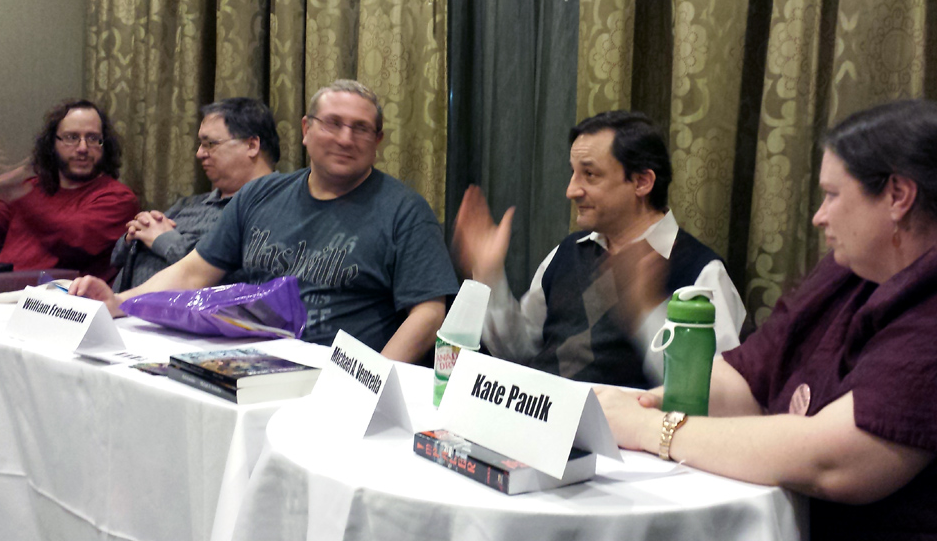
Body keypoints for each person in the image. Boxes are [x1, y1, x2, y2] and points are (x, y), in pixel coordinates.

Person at [596, 99, 937, 539]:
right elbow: (748, 378)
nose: (819, 216)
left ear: (898, 196)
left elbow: (832, 461)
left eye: (833, 195)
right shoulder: (847, 271)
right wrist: (658, 402)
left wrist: (648, 428)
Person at [71, 80, 458, 362]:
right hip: (242, 360)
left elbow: (428, 314)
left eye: (361, 128)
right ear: (306, 130)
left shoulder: (405, 211)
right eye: (332, 123)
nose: (345, 138)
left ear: (378, 141)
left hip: (332, 375)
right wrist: (118, 302)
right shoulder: (259, 194)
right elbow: (193, 273)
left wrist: (369, 383)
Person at [452, 111, 745, 387]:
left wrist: (645, 311)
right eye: (573, 173)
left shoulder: (703, 273)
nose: (571, 191)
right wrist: (490, 275)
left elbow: (716, 395)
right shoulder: (567, 252)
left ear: (642, 182)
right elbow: (519, 351)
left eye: (590, 175)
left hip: (624, 424)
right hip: (540, 416)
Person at [0, 99, 139, 281]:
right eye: (72, 137)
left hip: (65, 300)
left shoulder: (119, 198)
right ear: (52, 144)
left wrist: (20, 195)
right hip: (4, 293)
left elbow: (75, 240)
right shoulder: (33, 189)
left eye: (93, 138)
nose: (83, 148)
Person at [110, 98, 279, 291]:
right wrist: (135, 234)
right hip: (119, 305)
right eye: (201, 144)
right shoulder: (189, 204)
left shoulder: (276, 206)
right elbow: (116, 257)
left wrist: (166, 241)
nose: (199, 153)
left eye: (210, 144)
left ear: (252, 145)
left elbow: (242, 279)